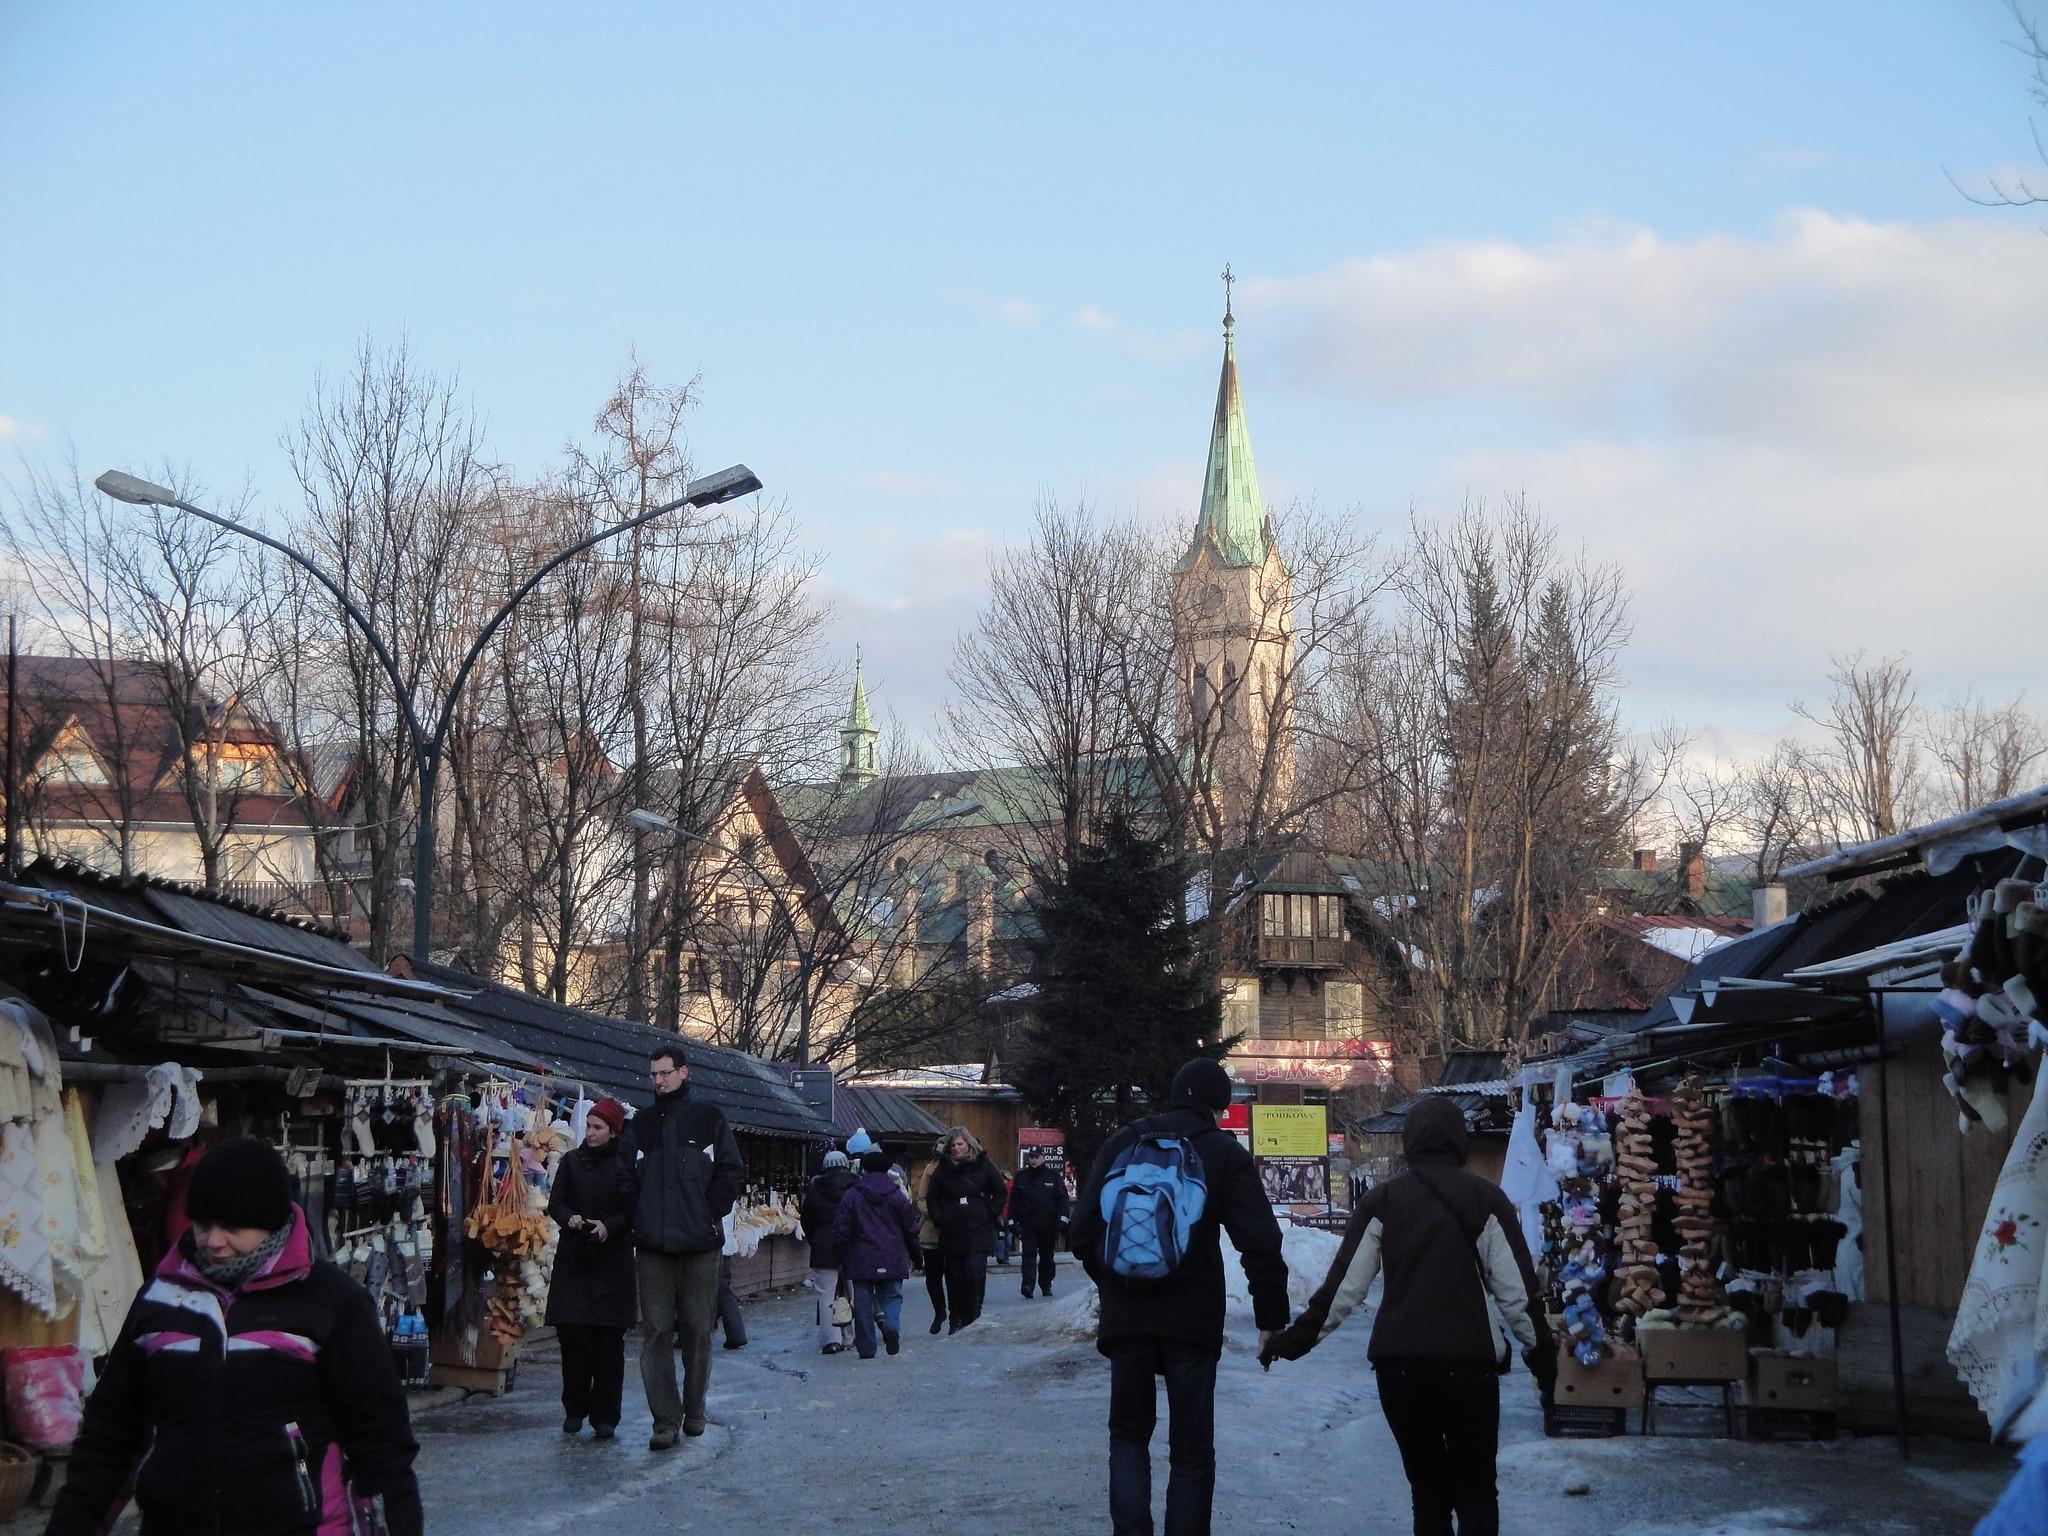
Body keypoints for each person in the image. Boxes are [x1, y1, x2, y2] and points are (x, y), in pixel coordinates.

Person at [48, 1136, 423, 1535]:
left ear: (272, 1221)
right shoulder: (159, 1300)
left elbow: (380, 1443)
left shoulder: (331, 1302)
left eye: (232, 1226)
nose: (213, 1241)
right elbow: (111, 1435)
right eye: (203, 1223)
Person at [1261, 1096, 1554, 1536]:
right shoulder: (1487, 1200)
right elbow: (1517, 1295)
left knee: (1428, 1490)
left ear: (1409, 1141)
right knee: (1476, 1489)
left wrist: (1291, 1342)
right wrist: (1543, 1357)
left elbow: (1343, 1290)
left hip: (1400, 1369)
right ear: (1460, 1142)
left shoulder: (1382, 1200)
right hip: (1470, 1367)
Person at [1070, 1059, 1288, 1536]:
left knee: (1128, 1438)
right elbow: (1260, 1242)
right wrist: (1270, 1318)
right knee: (1191, 1452)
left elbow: (1081, 1232)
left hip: (1127, 1318)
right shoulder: (1222, 1152)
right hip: (1193, 1320)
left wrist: (1115, 1285)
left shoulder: (1125, 1142)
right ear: (1218, 1105)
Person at [624, 1043, 744, 1450]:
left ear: (683, 1072)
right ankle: (664, 1420)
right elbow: (624, 1177)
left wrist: (709, 1211)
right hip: (653, 1246)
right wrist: (639, 1215)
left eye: (665, 1073)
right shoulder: (640, 1124)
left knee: (697, 1330)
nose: (658, 1080)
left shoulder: (708, 1118)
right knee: (656, 1332)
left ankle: (694, 1409)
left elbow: (731, 1170)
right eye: (653, 1074)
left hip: (700, 1244)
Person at [546, 1097, 638, 1441]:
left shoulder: (624, 1166)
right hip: (575, 1261)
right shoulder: (571, 1162)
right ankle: (574, 1408)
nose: (591, 1132)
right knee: (573, 1340)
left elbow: (632, 1210)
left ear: (613, 1132)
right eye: (589, 1126)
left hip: (612, 1265)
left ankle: (605, 1416)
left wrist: (608, 1226)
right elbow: (556, 1202)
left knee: (608, 1345)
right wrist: (569, 1217)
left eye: (598, 1127)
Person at [830, 1148, 922, 1359]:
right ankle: (891, 1326)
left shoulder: (852, 1195)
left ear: (863, 1169)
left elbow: (841, 1229)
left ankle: (866, 1348)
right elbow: (910, 1229)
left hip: (860, 1258)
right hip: (892, 1256)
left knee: (863, 1303)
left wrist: (840, 1256)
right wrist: (916, 1256)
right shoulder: (897, 1196)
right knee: (892, 1296)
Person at [925, 1125, 1006, 1332]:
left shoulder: (983, 1165)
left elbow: (1000, 1190)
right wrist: (939, 1218)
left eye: (960, 1144)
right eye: (953, 1145)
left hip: (979, 1229)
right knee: (954, 1277)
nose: (956, 1148)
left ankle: (973, 1314)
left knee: (974, 1273)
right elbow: (932, 1197)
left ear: (969, 1144)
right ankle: (956, 1318)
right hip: (952, 1232)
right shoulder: (943, 1170)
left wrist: (990, 1213)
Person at [801, 1148, 859, 1355]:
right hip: (852, 1247)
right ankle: (850, 1336)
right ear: (846, 1165)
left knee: (826, 1295)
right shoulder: (856, 1188)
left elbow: (806, 1221)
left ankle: (830, 1340)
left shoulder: (815, 1190)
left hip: (823, 1248)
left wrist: (815, 1240)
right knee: (853, 1293)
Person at [1010, 1146, 1070, 1299]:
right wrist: (1011, 1220)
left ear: (1043, 1158)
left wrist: (1063, 1218)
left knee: (1047, 1256)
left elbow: (1063, 1199)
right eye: (1031, 1157)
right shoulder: (1022, 1177)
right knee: (1028, 1255)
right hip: (1028, 1224)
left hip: (1048, 1225)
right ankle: (1027, 1285)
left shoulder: (1053, 1176)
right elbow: (1014, 1201)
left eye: (1037, 1157)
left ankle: (1046, 1284)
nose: (1034, 1160)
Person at [913, 1142, 948, 1333]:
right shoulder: (930, 1169)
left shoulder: (959, 1168)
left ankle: (956, 1313)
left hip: (955, 1230)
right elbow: (921, 1198)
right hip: (932, 1229)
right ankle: (940, 1311)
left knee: (954, 1275)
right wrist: (934, 1213)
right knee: (933, 1278)